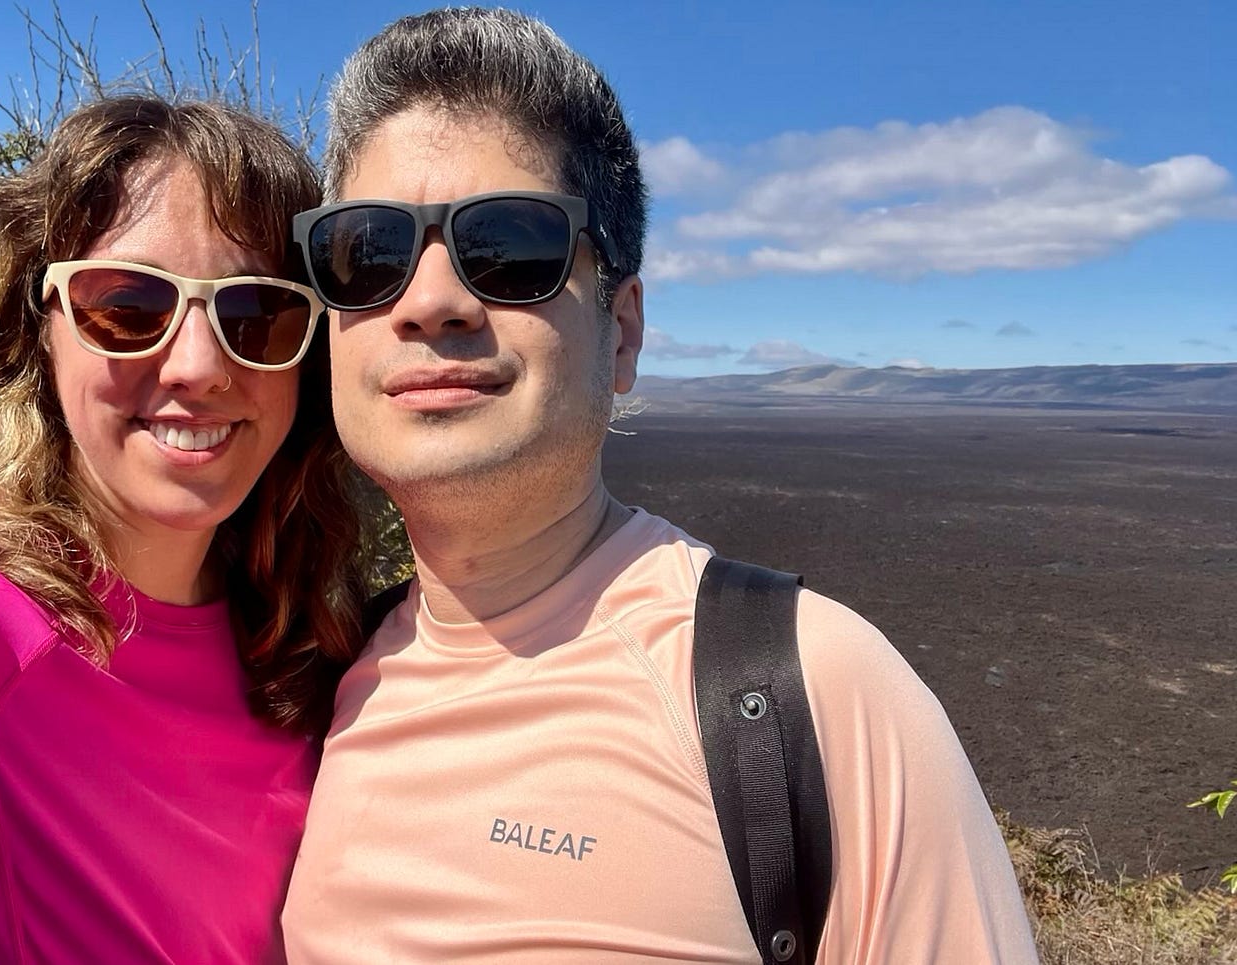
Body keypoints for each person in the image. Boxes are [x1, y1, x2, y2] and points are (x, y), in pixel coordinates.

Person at [283, 8, 1039, 963]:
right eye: (369, 253)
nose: (430, 302)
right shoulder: (310, 684)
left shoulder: (814, 692)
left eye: (510, 247)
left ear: (624, 332)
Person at [0, 94, 364, 963]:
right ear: (37, 332)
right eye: (127, 305)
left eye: (255, 314)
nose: (200, 365)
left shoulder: (311, 650)